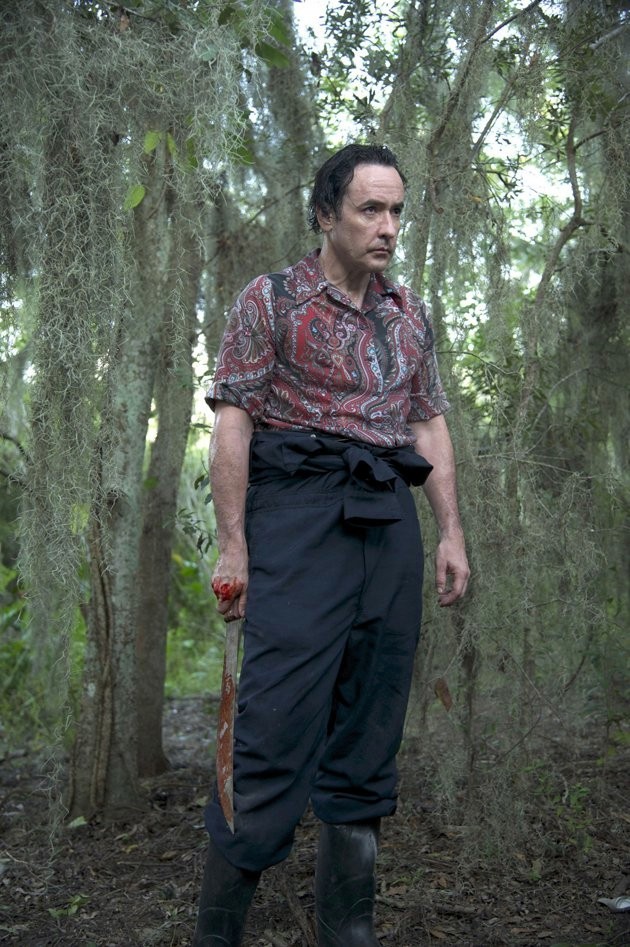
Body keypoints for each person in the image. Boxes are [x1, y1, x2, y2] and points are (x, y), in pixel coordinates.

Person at [193, 143, 469, 947]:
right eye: (369, 209)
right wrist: (234, 546)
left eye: (396, 211)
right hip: (298, 516)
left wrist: (450, 531)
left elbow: (427, 422)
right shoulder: (271, 299)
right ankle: (217, 936)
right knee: (272, 726)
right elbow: (233, 422)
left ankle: (348, 932)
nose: (388, 227)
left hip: (387, 519)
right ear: (324, 214)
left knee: (371, 726)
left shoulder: (409, 314)